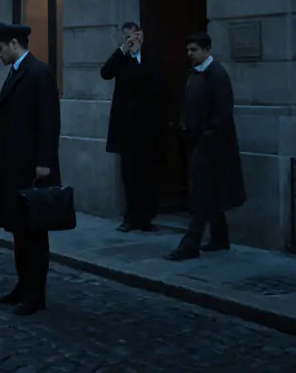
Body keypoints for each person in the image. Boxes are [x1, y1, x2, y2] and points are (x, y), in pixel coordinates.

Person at [0, 19, 61, 316]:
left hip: (31, 169)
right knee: (18, 231)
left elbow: (49, 121)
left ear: (15, 45)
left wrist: (44, 163)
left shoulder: (38, 73)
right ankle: (22, 284)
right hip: (12, 168)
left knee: (34, 235)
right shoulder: (17, 71)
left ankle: (35, 293)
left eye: (1, 47)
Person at [167, 32, 247, 261]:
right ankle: (220, 238)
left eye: (194, 50)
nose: (189, 54)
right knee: (211, 191)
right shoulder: (195, 73)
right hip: (197, 142)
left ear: (207, 50)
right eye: (188, 50)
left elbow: (223, 112)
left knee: (201, 194)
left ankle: (190, 243)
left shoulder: (217, 75)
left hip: (212, 145)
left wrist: (207, 136)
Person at [100, 21, 167, 232]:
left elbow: (154, 83)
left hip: (147, 129)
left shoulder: (151, 58)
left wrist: (139, 56)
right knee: (129, 176)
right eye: (127, 37)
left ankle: (146, 218)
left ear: (141, 36)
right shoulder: (121, 59)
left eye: (134, 36)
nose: (132, 40)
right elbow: (105, 72)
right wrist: (123, 50)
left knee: (148, 175)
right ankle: (131, 217)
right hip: (126, 129)